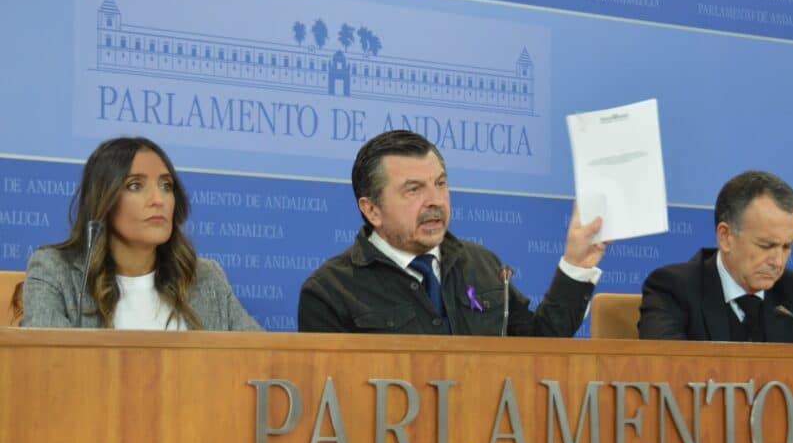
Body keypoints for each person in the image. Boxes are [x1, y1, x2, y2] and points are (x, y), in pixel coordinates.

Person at [298, 129, 606, 335]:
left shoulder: (481, 264)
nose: (435, 201)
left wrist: (576, 266)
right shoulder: (329, 292)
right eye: (414, 189)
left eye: (441, 184)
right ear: (371, 210)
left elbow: (538, 349)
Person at [18, 136, 260, 330]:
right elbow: (46, 367)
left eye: (166, 186)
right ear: (104, 200)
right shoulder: (57, 271)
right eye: (135, 186)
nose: (158, 200)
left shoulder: (205, 277)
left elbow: (261, 358)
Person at [638, 170, 793, 343]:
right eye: (766, 245)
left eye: (786, 246)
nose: (778, 262)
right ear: (725, 237)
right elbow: (665, 367)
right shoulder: (673, 288)